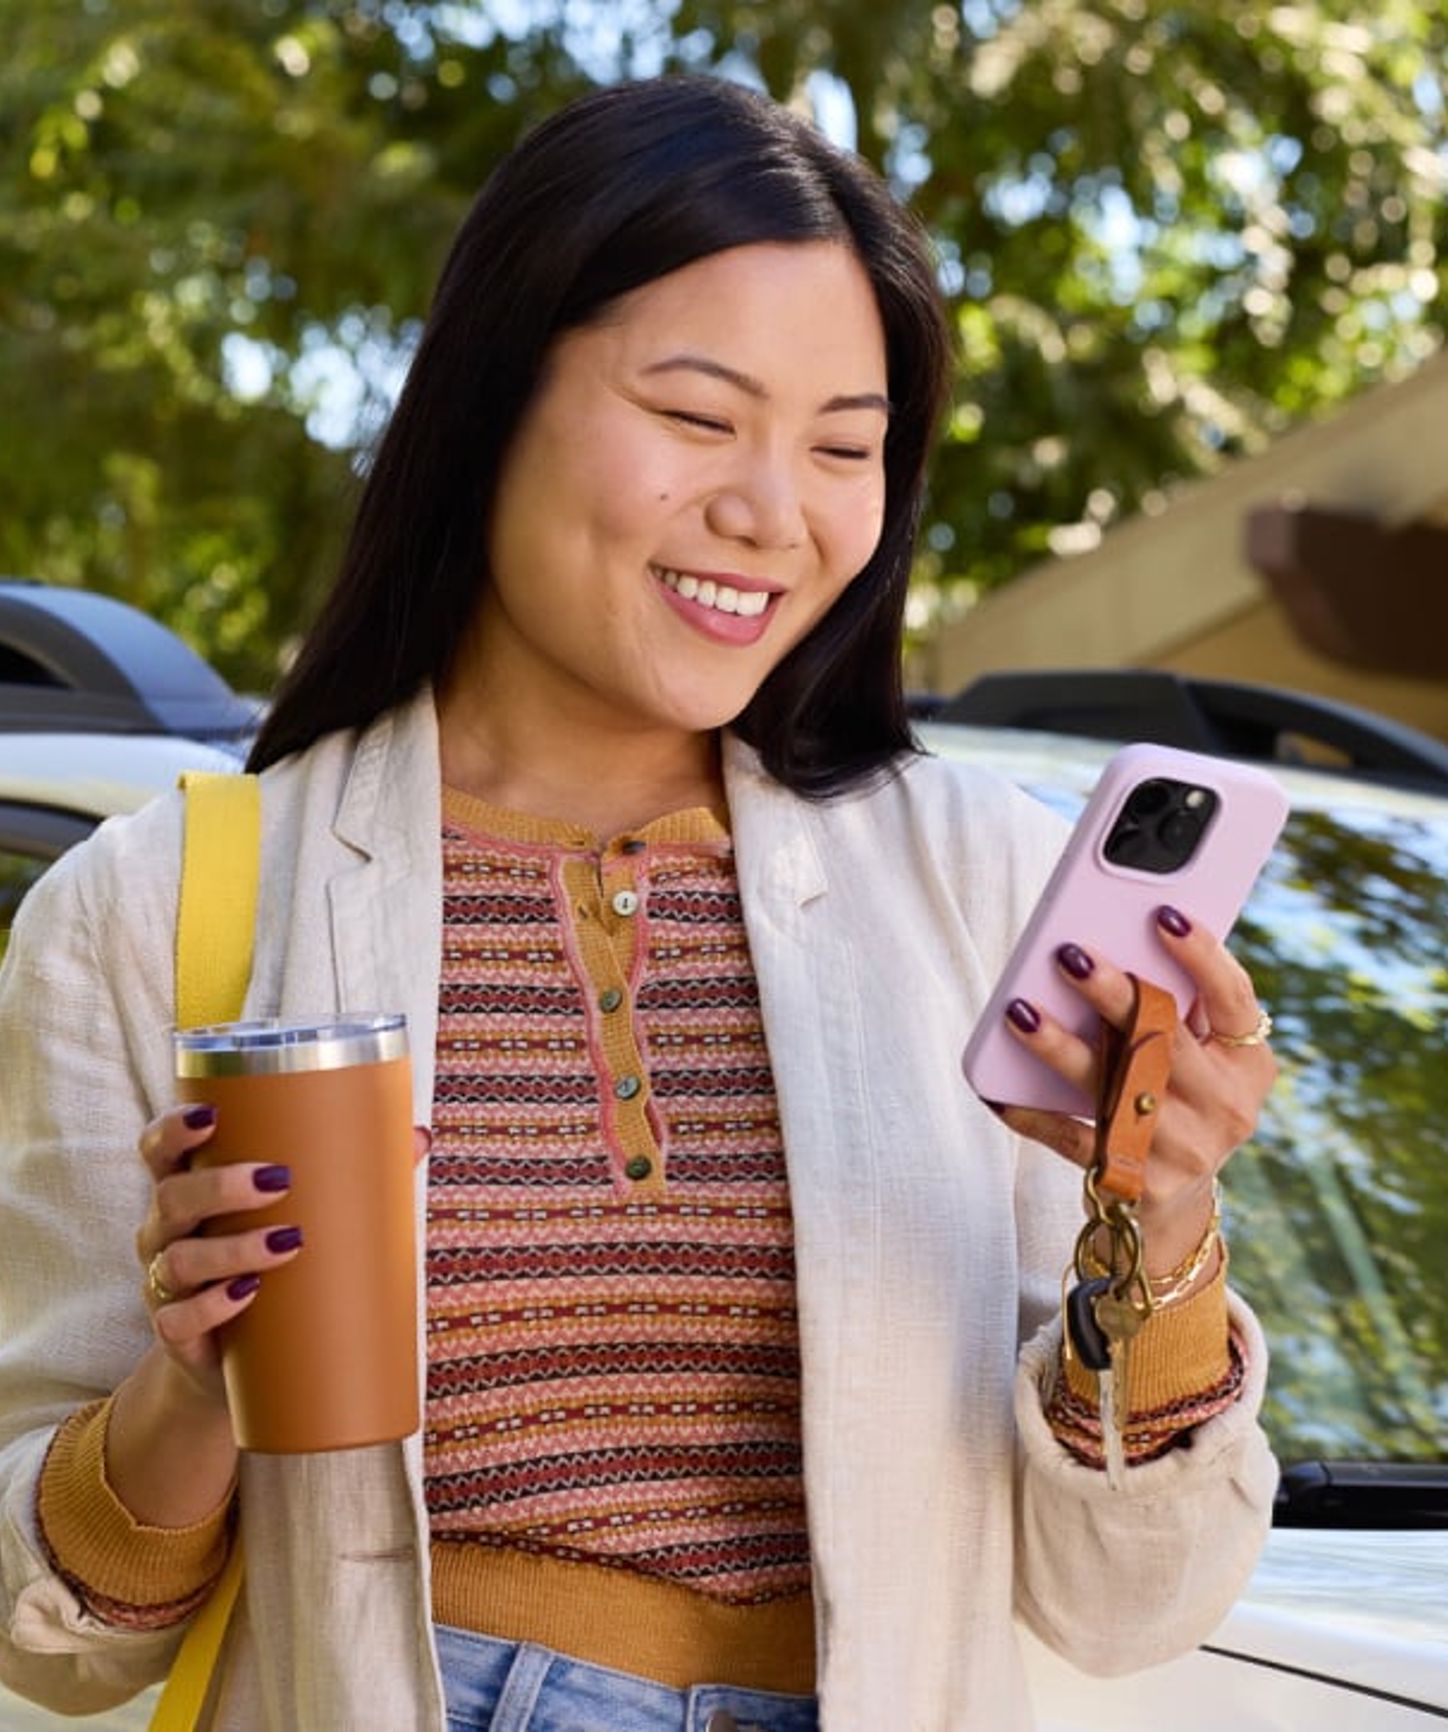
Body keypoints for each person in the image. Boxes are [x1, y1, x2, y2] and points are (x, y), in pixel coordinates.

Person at [0, 76, 1277, 1732]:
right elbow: (58, 1645)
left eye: (843, 447)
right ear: (494, 398)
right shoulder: (158, 904)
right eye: (696, 416)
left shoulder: (982, 882)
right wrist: (193, 1379)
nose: (773, 509)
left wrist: (1162, 1233)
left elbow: (1126, 1606)